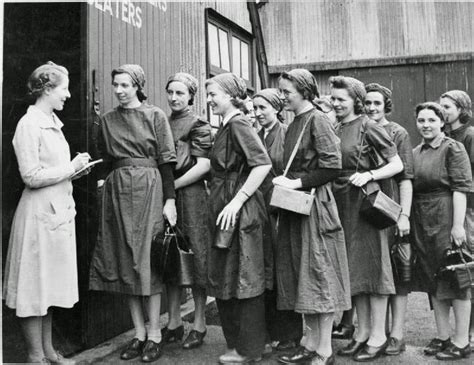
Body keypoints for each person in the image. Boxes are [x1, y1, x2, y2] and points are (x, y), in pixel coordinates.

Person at [3, 61, 91, 363]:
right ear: (47, 89)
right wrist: (70, 168)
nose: (68, 95)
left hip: (57, 214)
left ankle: (49, 351)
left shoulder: (52, 122)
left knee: (48, 285)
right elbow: (30, 175)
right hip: (38, 217)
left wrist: (74, 172)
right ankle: (35, 355)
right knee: (33, 288)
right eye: (64, 89)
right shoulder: (29, 125)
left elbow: (52, 170)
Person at [89, 64, 177, 362]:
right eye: (116, 85)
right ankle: (138, 334)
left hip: (149, 191)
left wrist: (170, 200)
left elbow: (166, 161)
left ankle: (155, 334)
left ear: (138, 85)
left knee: (147, 262)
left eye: (125, 85)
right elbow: (102, 159)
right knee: (126, 261)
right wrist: (104, 187)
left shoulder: (155, 116)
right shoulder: (107, 120)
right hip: (117, 193)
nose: (119, 90)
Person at [274, 69, 351, 365]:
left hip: (314, 206)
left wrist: (297, 183)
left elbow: (332, 167)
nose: (282, 97)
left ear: (304, 91)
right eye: (280, 91)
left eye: (287, 92)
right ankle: (310, 344)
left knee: (319, 275)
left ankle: (324, 350)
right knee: (302, 276)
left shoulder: (317, 119)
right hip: (296, 206)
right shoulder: (295, 122)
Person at [329, 76, 404, 362]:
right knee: (355, 271)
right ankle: (361, 333)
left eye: (341, 99)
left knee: (374, 269)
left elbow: (395, 163)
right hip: (342, 203)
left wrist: (371, 174)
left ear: (355, 101)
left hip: (365, 205)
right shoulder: (335, 127)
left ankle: (378, 336)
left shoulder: (369, 127)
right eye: (333, 98)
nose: (335, 103)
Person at [205, 72, 272, 364]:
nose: (209, 100)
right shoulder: (227, 125)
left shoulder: (239, 124)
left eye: (213, 95)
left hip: (239, 211)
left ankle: (248, 349)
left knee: (244, 277)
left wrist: (237, 201)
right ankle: (245, 345)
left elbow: (262, 164)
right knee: (231, 276)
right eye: (208, 95)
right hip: (225, 204)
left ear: (231, 96)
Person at [411, 102, 472, 361]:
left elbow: (460, 188)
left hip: (446, 214)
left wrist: (457, 226)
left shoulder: (452, 148)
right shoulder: (415, 151)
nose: (426, 125)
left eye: (431, 120)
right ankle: (443, 335)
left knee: (454, 279)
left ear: (442, 123)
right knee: (431, 279)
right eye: (421, 120)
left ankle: (462, 340)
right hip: (421, 219)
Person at [163, 72, 212, 349]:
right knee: (168, 254)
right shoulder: (161, 121)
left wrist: (173, 188)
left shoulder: (198, 124)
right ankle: (173, 322)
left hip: (192, 196)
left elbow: (203, 166)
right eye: (171, 92)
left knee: (196, 255)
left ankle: (200, 323)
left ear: (191, 96)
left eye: (180, 93)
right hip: (168, 195)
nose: (174, 98)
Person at [252, 88, 303, 353]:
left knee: (284, 270)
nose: (258, 113)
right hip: (258, 209)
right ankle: (268, 329)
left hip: (280, 209)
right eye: (255, 108)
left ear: (276, 108)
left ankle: (290, 332)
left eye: (263, 108)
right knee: (264, 271)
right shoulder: (253, 133)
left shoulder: (286, 134)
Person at [365, 83, 414, 356]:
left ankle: (397, 334)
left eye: (377, 103)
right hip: (366, 208)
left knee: (397, 271)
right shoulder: (361, 128)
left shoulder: (398, 133)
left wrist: (403, 215)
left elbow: (405, 178)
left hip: (390, 205)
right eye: (368, 103)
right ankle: (376, 332)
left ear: (386, 105)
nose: (372, 108)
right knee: (374, 272)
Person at [439, 90, 474, 347]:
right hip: (447, 209)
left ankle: (470, 333)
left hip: (468, 210)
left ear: (461, 109)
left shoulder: (469, 136)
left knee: (467, 269)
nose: (443, 111)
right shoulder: (444, 136)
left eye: (447, 107)